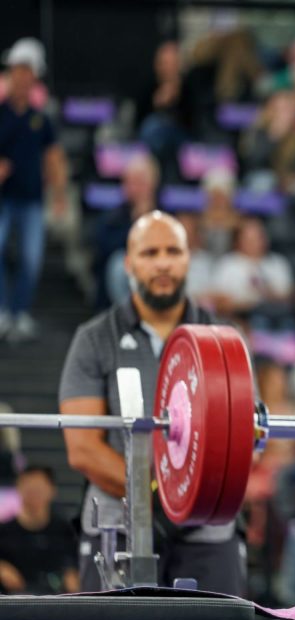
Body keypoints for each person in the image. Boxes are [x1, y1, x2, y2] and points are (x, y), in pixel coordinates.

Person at [58, 211, 245, 598]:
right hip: (116, 526)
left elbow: (243, 442)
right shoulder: (93, 339)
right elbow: (83, 448)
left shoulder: (226, 340)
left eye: (173, 251)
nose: (162, 262)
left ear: (188, 259)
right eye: (149, 252)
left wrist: (185, 499)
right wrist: (165, 494)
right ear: (129, 263)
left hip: (206, 530)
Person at [0, 37, 68, 342]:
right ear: (11, 72)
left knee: (31, 258)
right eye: (18, 69)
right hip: (3, 199)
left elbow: (53, 157)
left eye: (28, 70)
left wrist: (59, 194)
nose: (23, 76)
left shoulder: (42, 118)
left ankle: (20, 312)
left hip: (31, 200)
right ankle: (3, 310)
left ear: (34, 76)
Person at [0, 465, 78, 594]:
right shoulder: (4, 531)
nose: (34, 493)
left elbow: (74, 565)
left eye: (39, 487)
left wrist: (72, 575)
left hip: (57, 602)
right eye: (29, 487)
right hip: (13, 602)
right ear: (18, 488)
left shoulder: (65, 531)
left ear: (53, 490)